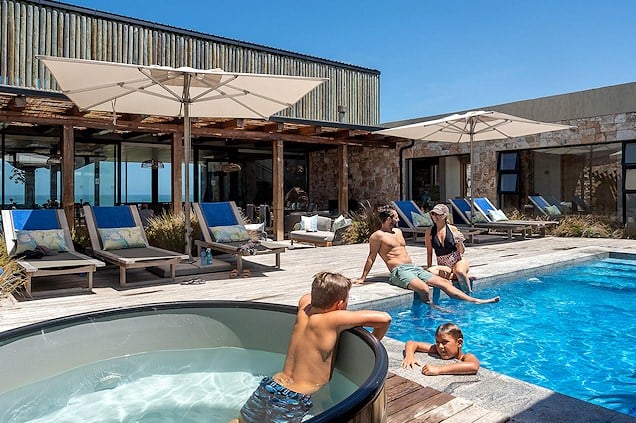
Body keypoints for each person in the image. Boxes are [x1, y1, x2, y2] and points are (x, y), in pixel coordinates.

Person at [232, 272, 392, 423]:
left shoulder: (304, 307)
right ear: (340, 304)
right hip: (295, 397)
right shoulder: (334, 319)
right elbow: (385, 319)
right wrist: (375, 340)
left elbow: (310, 297)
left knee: (241, 421)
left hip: (271, 384)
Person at [352, 205, 499, 307]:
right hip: (399, 271)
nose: (399, 219)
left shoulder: (398, 232)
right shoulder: (377, 236)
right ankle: (432, 309)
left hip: (413, 268)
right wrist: (363, 278)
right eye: (396, 217)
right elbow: (371, 257)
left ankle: (474, 300)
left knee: (444, 283)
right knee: (424, 289)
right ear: (389, 219)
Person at [425, 203, 473, 293]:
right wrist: (429, 268)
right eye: (433, 214)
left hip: (458, 260)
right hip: (444, 265)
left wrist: (460, 242)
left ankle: (469, 295)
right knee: (430, 272)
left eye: (438, 214)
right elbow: (429, 253)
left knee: (460, 272)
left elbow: (461, 251)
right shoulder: (429, 232)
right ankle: (458, 277)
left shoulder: (452, 229)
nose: (435, 216)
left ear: (445, 215)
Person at [401, 322, 480, 376]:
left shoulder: (466, 357)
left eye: (445, 342)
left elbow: (473, 366)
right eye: (438, 342)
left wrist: (438, 370)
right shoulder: (437, 349)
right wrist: (409, 356)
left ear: (459, 343)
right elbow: (411, 343)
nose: (440, 346)